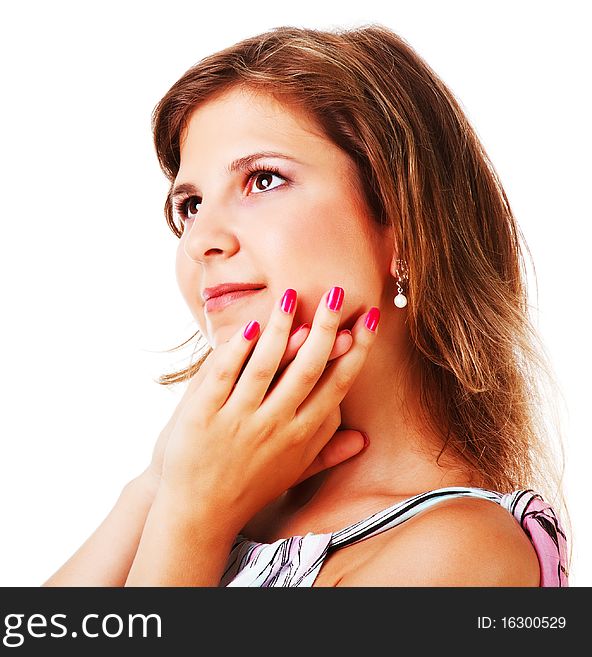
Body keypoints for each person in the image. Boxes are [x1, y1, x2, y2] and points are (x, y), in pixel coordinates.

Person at [43, 24, 570, 587]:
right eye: (191, 205)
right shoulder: (224, 497)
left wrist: (191, 519)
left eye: (263, 179)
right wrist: (160, 481)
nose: (200, 242)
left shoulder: (458, 554)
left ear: (407, 228)